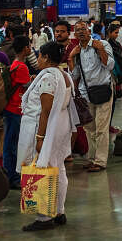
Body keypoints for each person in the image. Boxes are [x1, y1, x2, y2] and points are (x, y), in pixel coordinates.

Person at [17, 41, 78, 231]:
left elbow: (45, 110)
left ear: (46, 57)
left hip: (47, 128)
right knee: (57, 168)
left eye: (40, 56)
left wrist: (40, 137)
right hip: (60, 126)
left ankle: (44, 217)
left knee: (42, 167)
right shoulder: (64, 75)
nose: (38, 60)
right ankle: (59, 211)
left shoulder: (48, 78)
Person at [70, 22, 114, 172]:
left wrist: (100, 50)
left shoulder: (102, 44)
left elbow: (110, 66)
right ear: (75, 34)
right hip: (86, 93)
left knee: (101, 127)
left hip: (103, 90)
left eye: (83, 29)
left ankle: (100, 161)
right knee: (89, 128)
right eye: (78, 30)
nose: (81, 32)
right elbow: (75, 75)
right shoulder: (77, 51)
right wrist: (70, 58)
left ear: (89, 31)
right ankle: (91, 158)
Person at [3, 36, 35, 186]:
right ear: (25, 49)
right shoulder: (21, 66)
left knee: (10, 142)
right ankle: (13, 177)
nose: (30, 49)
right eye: (29, 46)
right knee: (13, 144)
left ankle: (10, 174)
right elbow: (27, 86)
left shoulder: (14, 64)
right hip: (15, 109)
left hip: (10, 108)